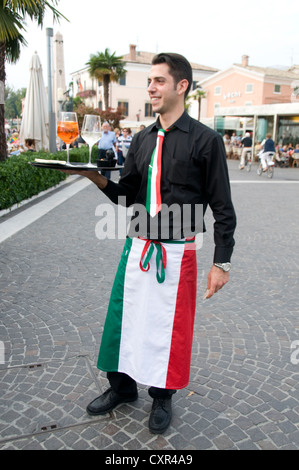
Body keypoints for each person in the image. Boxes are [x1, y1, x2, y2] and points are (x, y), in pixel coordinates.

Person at [59, 52, 236, 435]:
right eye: (149, 81)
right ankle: (121, 388)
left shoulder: (206, 141)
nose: (151, 88)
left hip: (178, 252)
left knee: (168, 329)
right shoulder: (141, 138)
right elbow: (126, 196)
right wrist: (95, 178)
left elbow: (223, 206)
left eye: (158, 81)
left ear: (181, 86)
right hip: (137, 246)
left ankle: (162, 396)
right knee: (123, 320)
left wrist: (222, 263)